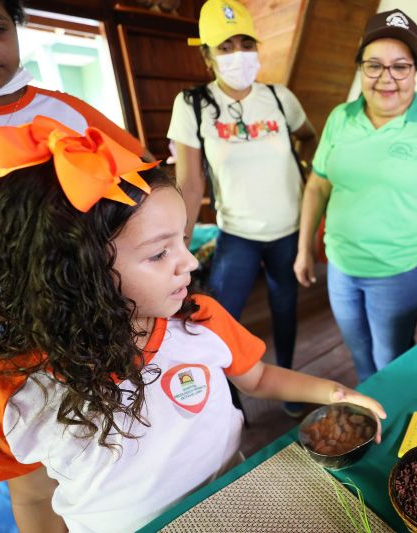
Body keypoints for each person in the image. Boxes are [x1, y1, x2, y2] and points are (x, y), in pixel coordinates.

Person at [0, 116, 386, 532]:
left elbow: (256, 379)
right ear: (76, 272)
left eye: (183, 240)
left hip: (235, 507)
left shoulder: (200, 320)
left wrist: (334, 391)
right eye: (158, 253)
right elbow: (33, 498)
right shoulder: (10, 395)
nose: (188, 262)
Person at [0, 1, 146, 530]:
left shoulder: (63, 111)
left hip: (67, 304)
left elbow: (139, 187)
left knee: (87, 430)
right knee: (7, 457)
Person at [293, 9, 417, 381]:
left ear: (415, 71)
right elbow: (318, 185)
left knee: (390, 360)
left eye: (400, 66)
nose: (386, 78)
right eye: (374, 65)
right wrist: (304, 246)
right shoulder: (341, 117)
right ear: (359, 69)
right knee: (359, 356)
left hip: (398, 271)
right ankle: (372, 413)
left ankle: (388, 423)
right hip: (340, 267)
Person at [168, 0, 317, 417]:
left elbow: (308, 136)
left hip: (287, 231)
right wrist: (181, 247)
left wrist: (300, 168)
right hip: (237, 234)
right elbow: (190, 179)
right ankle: (230, 400)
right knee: (221, 317)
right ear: (207, 56)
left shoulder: (278, 97)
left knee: (285, 309)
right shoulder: (193, 105)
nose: (238, 55)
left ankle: (289, 390)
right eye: (225, 47)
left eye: (245, 43)